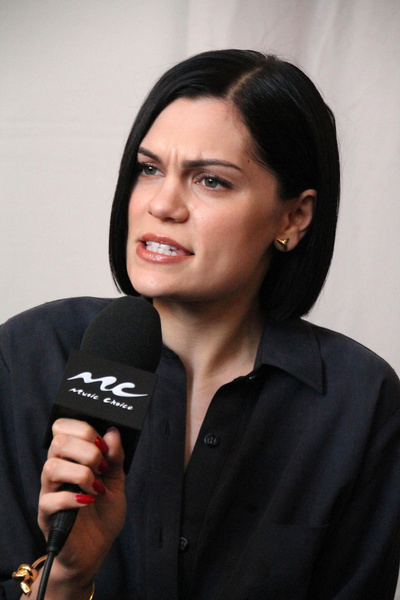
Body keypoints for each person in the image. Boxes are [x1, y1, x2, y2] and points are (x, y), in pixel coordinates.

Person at [1, 49, 400, 600]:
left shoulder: (360, 400)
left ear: (293, 217)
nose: (162, 205)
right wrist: (67, 578)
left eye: (210, 180)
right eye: (148, 169)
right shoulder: (26, 356)